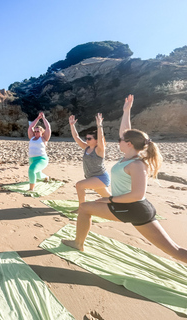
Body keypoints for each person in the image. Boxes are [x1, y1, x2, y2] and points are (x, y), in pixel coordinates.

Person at [62, 95, 187, 264]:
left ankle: (78, 243)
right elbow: (125, 132)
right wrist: (126, 111)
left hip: (133, 209)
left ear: (129, 143)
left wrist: (110, 199)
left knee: (174, 251)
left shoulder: (137, 164)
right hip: (131, 207)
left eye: (121, 140)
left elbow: (137, 195)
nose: (118, 140)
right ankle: (78, 243)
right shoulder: (129, 156)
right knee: (174, 249)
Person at [69, 113, 111, 208]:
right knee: (108, 198)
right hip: (91, 177)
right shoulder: (86, 147)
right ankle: (122, 204)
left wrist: (99, 125)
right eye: (86, 138)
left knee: (79, 185)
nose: (86, 140)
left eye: (89, 138)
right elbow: (76, 137)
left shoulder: (99, 150)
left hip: (101, 178)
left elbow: (100, 139)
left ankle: (82, 208)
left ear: (96, 140)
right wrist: (72, 125)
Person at [27, 112, 51, 191]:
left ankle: (31, 189)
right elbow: (31, 127)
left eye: (38, 131)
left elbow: (48, 128)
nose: (36, 133)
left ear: (41, 132)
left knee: (31, 170)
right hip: (32, 160)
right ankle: (46, 177)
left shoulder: (44, 138)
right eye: (35, 131)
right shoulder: (32, 137)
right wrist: (37, 118)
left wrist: (43, 118)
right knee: (38, 175)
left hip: (41, 159)